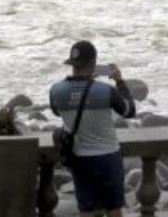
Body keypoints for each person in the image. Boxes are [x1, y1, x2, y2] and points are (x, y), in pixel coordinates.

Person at [49, 41, 136, 217]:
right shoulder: (106, 91)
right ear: (94, 64)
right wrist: (119, 81)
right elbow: (129, 111)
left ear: (72, 64)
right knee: (113, 208)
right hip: (108, 157)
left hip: (79, 157)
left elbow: (57, 113)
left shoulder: (56, 91)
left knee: (87, 209)